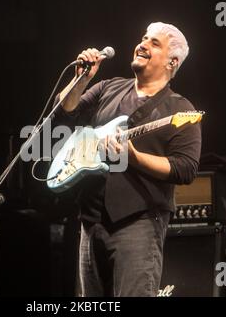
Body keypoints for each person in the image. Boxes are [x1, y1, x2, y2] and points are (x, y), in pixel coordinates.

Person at [52, 22, 202, 297]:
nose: (142, 44)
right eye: (143, 38)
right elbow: (63, 114)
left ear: (173, 61)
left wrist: (133, 157)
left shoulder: (181, 109)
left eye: (154, 43)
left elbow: (185, 168)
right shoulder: (108, 88)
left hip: (139, 223)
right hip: (91, 220)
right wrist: (82, 79)